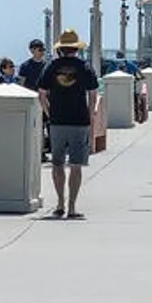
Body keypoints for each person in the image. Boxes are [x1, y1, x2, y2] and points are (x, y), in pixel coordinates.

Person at [36, 30, 101, 219]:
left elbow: (41, 93)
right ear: (76, 49)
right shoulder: (84, 67)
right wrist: (91, 114)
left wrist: (49, 112)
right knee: (76, 165)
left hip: (57, 121)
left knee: (57, 164)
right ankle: (72, 207)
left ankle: (59, 204)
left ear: (61, 49)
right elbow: (93, 93)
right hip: (79, 121)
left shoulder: (51, 66)